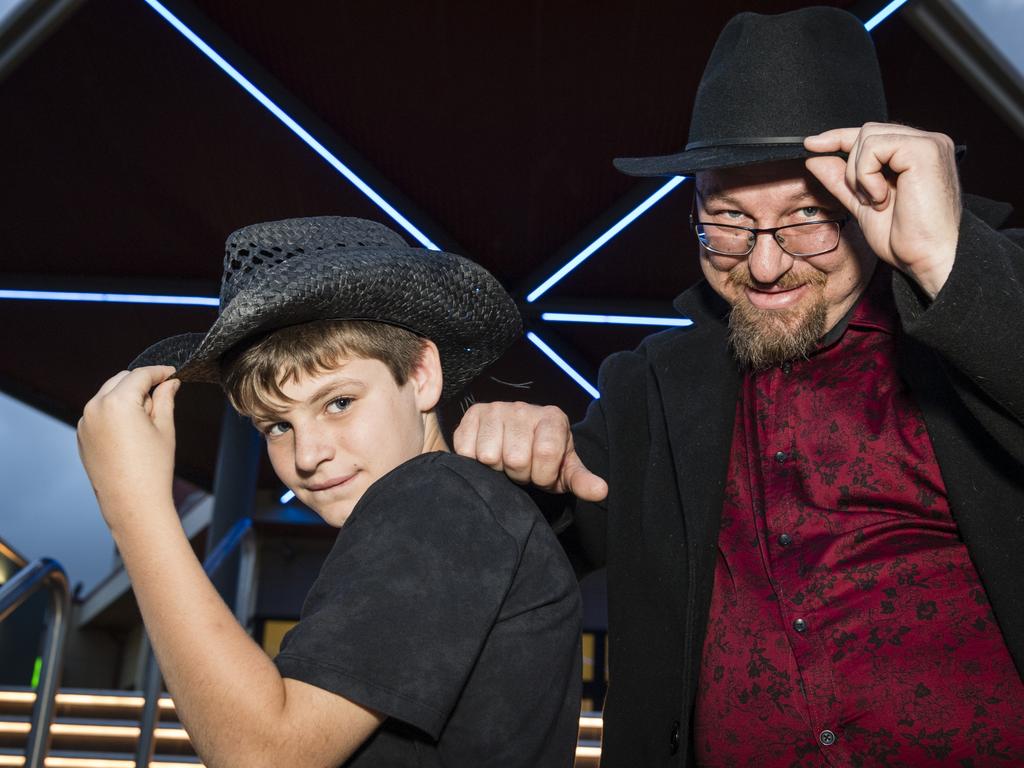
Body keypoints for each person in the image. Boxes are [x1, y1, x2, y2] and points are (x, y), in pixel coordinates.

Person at [454, 7, 1024, 766]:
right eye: (727, 222)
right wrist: (502, 455)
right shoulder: (650, 392)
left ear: (872, 202)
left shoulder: (989, 305)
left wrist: (946, 261)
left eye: (807, 220)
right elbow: (506, 551)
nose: (762, 266)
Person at [77, 216, 582, 767]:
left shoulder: (438, 499)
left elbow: (266, 757)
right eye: (277, 426)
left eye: (338, 402)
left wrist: (136, 509)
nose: (307, 455)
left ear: (421, 375)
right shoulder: (435, 509)